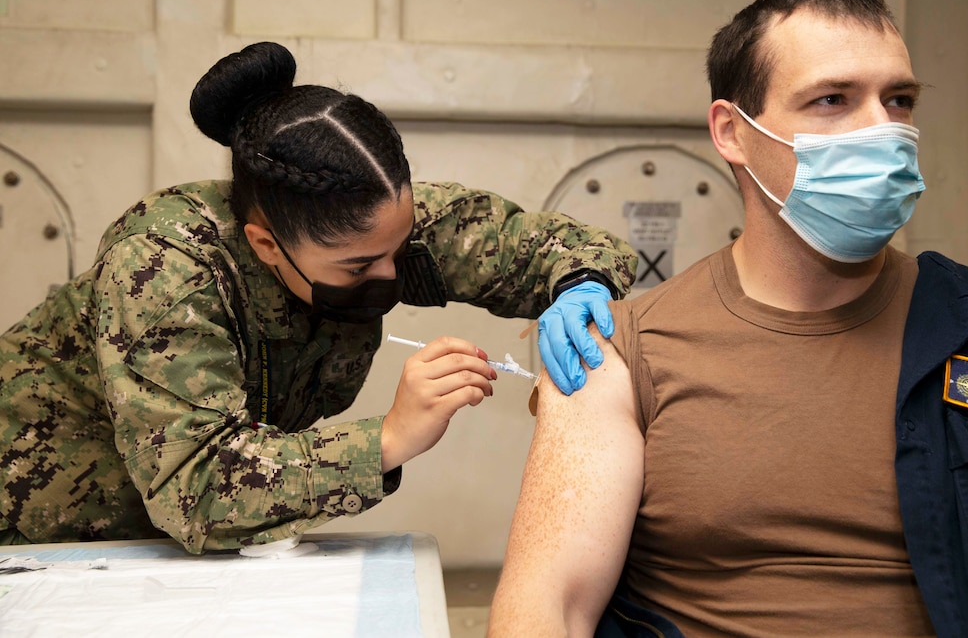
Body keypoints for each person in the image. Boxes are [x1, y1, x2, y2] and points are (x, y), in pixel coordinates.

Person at [488, 0, 968, 637]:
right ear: (732, 132)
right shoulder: (621, 351)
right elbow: (548, 609)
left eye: (900, 99)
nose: (883, 131)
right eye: (833, 99)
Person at [0, 41, 636, 554]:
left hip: (162, 554)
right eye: (358, 267)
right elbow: (198, 488)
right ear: (267, 245)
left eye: (401, 245)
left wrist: (582, 285)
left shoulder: (366, 215)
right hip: (36, 532)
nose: (389, 275)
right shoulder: (166, 269)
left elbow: (550, 246)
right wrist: (389, 439)